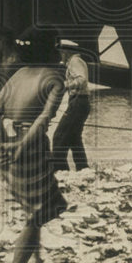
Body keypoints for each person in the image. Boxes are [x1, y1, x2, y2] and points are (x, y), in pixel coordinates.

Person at [0, 26, 68, 263]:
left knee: (38, 211)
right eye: (56, 47)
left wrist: (0, 145)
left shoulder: (19, 74)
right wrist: (22, 145)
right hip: (30, 151)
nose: (59, 53)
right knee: (35, 217)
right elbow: (42, 121)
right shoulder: (55, 77)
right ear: (50, 50)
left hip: (9, 148)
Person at [51, 40, 91, 172]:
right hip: (80, 102)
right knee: (74, 138)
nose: (60, 54)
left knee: (58, 137)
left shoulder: (75, 61)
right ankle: (83, 168)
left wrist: (65, 85)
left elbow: (82, 79)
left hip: (78, 102)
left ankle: (61, 170)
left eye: (62, 51)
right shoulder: (75, 62)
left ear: (67, 51)